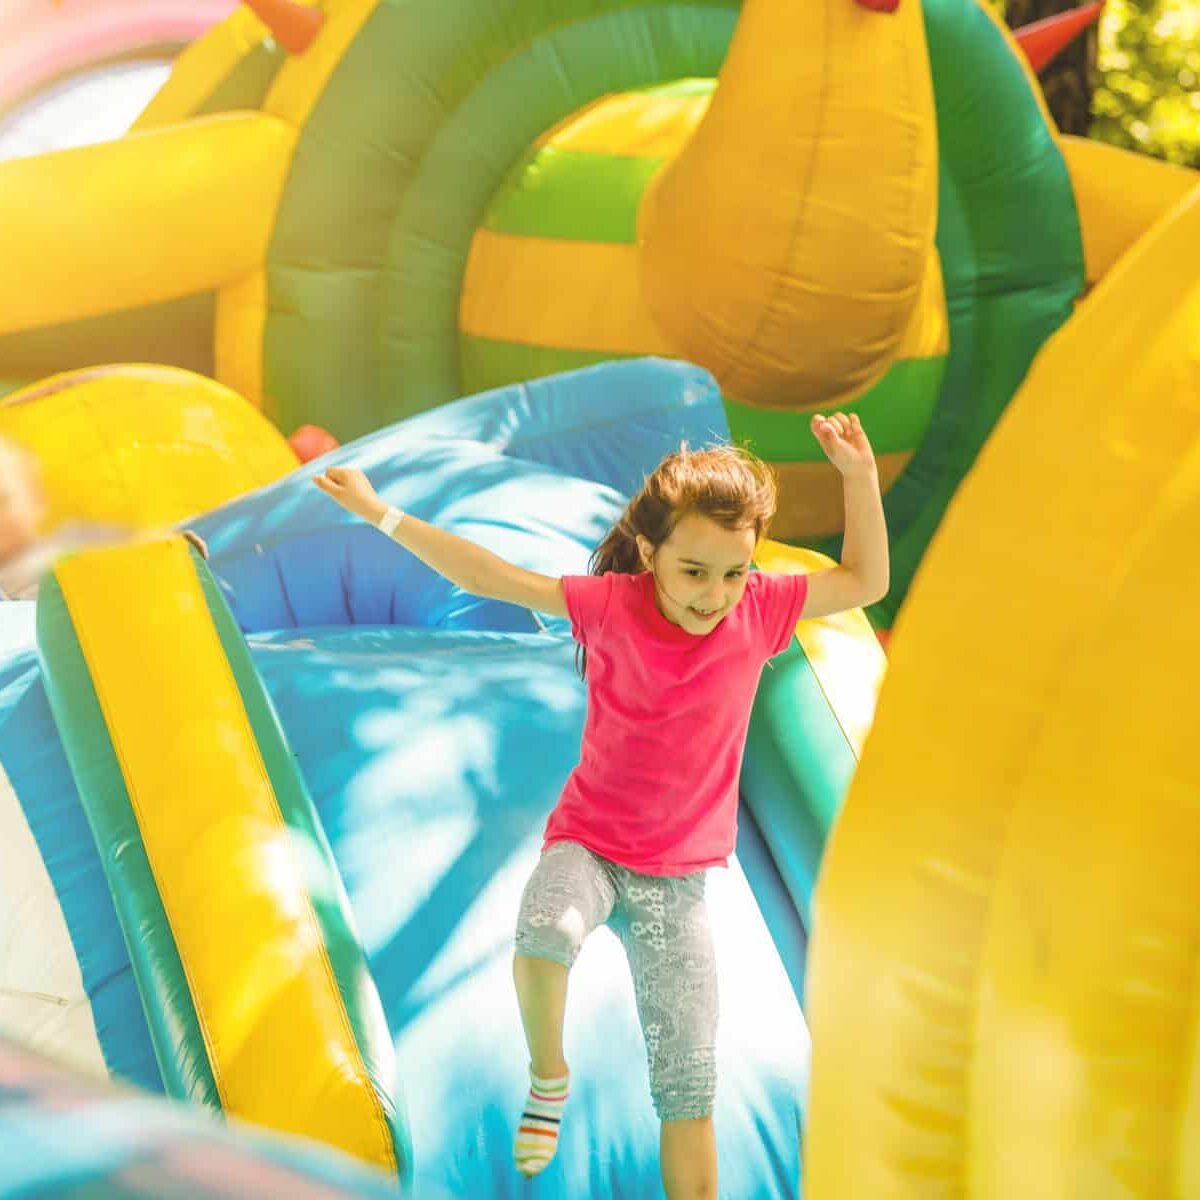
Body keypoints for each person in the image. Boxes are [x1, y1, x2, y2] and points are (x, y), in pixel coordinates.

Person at [313, 412, 889, 1200]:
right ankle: (549, 1074)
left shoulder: (760, 610)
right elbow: (490, 576)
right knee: (546, 932)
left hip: (679, 882)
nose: (713, 596)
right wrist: (380, 512)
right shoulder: (612, 604)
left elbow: (866, 584)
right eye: (692, 572)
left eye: (732, 573)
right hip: (589, 845)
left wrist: (858, 478)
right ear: (649, 553)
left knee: (690, 1089)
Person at [0, 436, 208, 601]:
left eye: (2, 500)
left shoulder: (77, 539)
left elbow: (143, 549)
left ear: (37, 501)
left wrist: (172, 549)